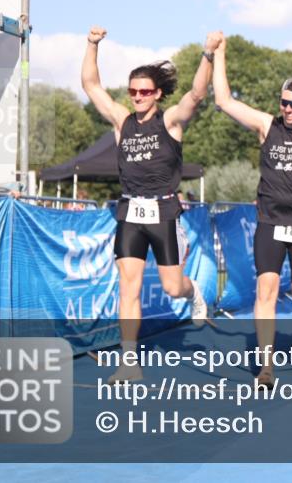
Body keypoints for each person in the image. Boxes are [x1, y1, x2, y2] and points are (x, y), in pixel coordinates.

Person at [81, 25, 212, 383]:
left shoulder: (169, 122)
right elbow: (91, 85)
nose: (137, 97)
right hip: (130, 212)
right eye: (133, 91)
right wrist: (92, 45)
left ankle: (193, 291)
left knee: (173, 287)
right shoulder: (122, 122)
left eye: (144, 92)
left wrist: (208, 54)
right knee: (129, 287)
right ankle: (129, 362)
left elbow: (197, 94)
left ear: (157, 94)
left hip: (164, 211)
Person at [211, 33, 292, 387]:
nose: (288, 109)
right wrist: (219, 53)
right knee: (265, 292)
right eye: (284, 102)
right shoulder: (267, 126)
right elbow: (223, 100)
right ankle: (266, 367)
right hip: (269, 222)